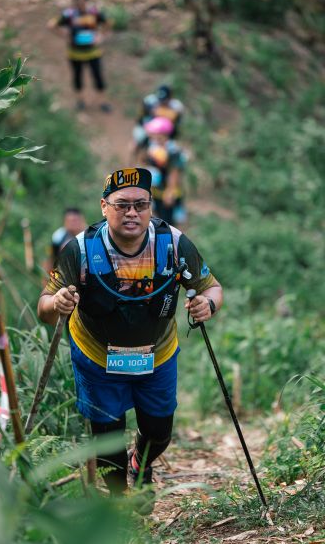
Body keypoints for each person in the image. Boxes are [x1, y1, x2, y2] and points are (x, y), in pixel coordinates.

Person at [38, 167, 222, 500]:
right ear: (104, 207)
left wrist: (207, 304)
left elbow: (211, 287)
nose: (132, 213)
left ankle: (140, 464)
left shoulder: (173, 244)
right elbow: (44, 308)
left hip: (157, 355)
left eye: (141, 204)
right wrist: (58, 302)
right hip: (97, 357)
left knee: (159, 432)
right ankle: (121, 504)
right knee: (107, 439)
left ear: (151, 206)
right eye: (122, 205)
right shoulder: (80, 250)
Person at [52, 0, 111, 112]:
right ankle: (80, 101)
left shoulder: (94, 12)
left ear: (86, 1)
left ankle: (102, 102)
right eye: (79, 3)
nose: (81, 5)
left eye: (83, 2)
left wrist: (101, 36)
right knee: (78, 77)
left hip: (93, 53)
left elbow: (107, 23)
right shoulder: (69, 14)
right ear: (75, 2)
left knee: (98, 77)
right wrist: (65, 36)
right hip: (75, 54)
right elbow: (52, 25)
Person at [142, 117, 187, 228]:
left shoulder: (172, 151)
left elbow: (174, 171)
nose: (152, 136)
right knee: (158, 215)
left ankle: (170, 236)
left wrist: (170, 191)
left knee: (168, 220)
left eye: (154, 134)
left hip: (167, 191)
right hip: (156, 190)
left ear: (163, 135)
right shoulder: (154, 148)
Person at [132, 85, 184, 153]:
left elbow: (178, 123)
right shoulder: (150, 101)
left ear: (170, 98)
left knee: (173, 149)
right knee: (140, 138)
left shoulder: (176, 106)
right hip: (148, 127)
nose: (161, 101)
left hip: (166, 132)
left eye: (164, 100)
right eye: (160, 99)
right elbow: (143, 116)